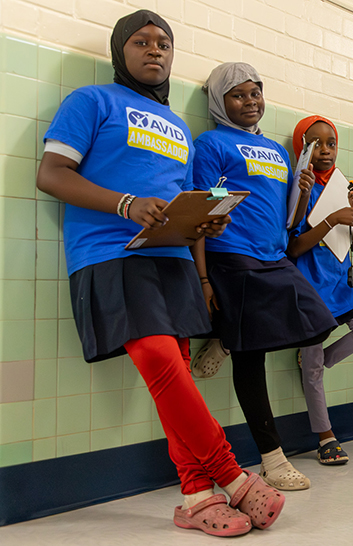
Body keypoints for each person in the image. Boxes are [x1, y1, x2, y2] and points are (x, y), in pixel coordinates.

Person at [36, 12, 284, 537]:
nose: (155, 50)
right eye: (141, 41)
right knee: (157, 360)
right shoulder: (92, 101)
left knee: (173, 374)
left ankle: (195, 496)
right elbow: (51, 174)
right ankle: (232, 477)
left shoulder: (178, 127)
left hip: (173, 259)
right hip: (110, 251)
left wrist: (204, 236)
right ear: (119, 50)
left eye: (164, 43)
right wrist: (125, 204)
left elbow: (179, 201)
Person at [192, 62, 338, 490]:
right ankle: (272, 459)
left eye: (255, 93)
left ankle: (225, 334)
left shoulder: (275, 150)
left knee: (316, 323)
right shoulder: (212, 144)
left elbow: (286, 216)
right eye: (238, 95)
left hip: (273, 258)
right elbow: (204, 208)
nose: (250, 102)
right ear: (221, 102)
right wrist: (203, 280)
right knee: (251, 357)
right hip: (231, 258)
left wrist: (303, 192)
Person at [287, 115, 353, 462]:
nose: (325, 151)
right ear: (302, 147)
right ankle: (326, 437)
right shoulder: (300, 186)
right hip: (311, 284)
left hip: (341, 282)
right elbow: (295, 248)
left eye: (331, 143)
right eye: (316, 144)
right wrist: (330, 219)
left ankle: (314, 364)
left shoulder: (344, 186)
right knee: (311, 366)